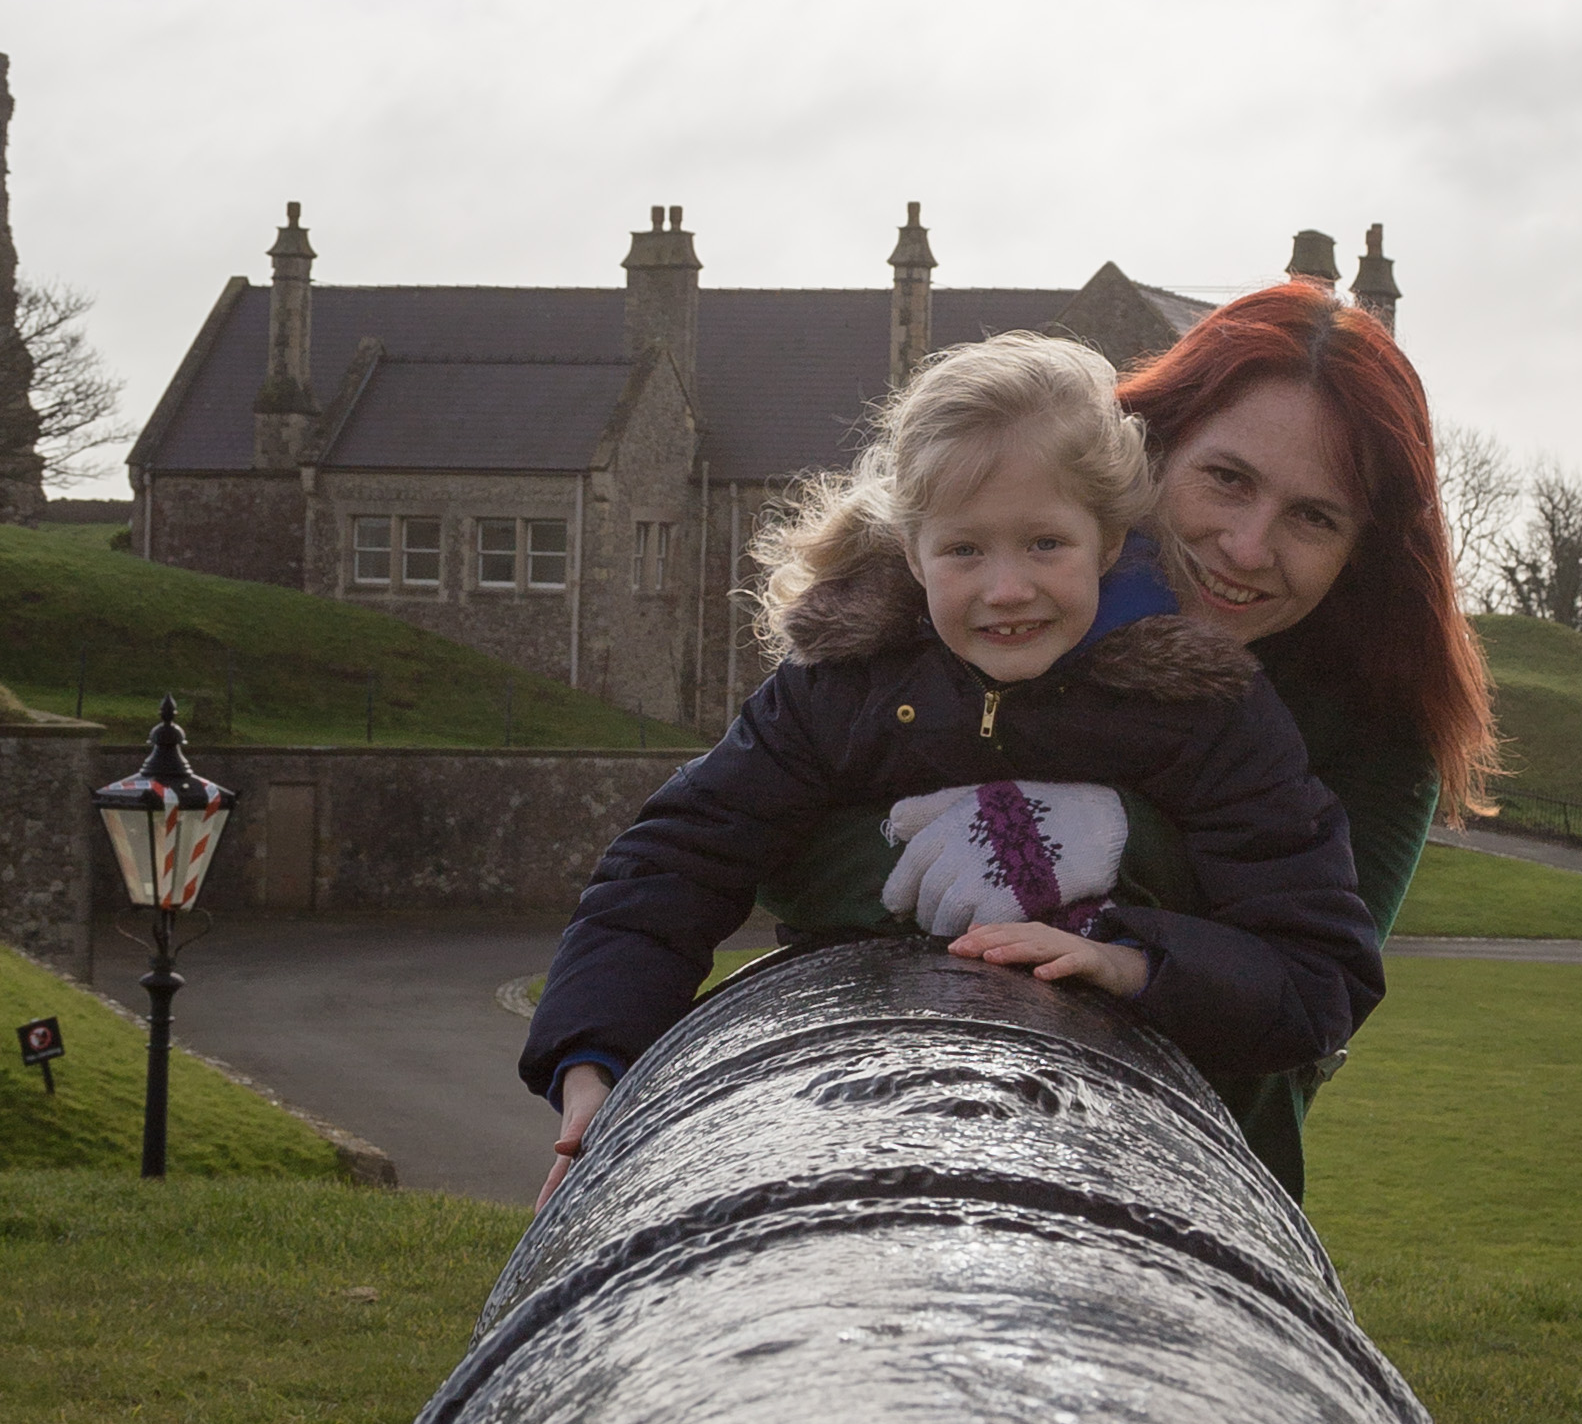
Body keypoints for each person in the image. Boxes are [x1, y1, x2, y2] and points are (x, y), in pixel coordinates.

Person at [520, 329, 1384, 1204]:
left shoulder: (1206, 711)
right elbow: (675, 858)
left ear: (1110, 541)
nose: (1006, 588)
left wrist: (1129, 959)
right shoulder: (841, 686)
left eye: (1045, 543)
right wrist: (594, 1058)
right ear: (910, 551)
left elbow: (1319, 971)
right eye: (965, 549)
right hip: (860, 1084)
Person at [1109, 279, 1498, 1195]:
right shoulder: (1012, 589)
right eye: (1227, 478)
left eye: (1313, 517)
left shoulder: (1379, 734)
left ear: (1363, 548)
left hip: (1190, 1182)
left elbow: (1301, 1009)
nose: (1248, 547)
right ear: (1154, 447)